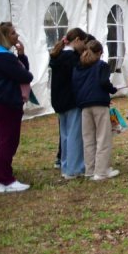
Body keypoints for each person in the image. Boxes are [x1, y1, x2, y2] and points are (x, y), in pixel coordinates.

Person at [73, 39, 119, 180]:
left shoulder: (78, 67)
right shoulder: (101, 65)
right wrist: (112, 89)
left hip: (84, 105)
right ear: (99, 52)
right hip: (99, 103)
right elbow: (104, 82)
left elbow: (74, 86)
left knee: (88, 139)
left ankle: (90, 170)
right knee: (103, 137)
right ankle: (101, 171)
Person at [0, 22, 33, 193]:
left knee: (0, 139)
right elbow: (25, 75)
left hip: (0, 102)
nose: (16, 36)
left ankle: (0, 177)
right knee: (8, 141)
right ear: (4, 37)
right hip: (7, 102)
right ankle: (5, 179)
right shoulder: (5, 58)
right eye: (12, 33)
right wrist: (22, 57)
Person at [50, 27, 89, 177]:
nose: (84, 46)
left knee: (65, 135)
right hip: (71, 100)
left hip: (59, 100)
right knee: (74, 135)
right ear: (77, 40)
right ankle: (74, 168)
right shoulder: (71, 58)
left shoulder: (58, 55)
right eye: (83, 42)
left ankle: (66, 166)